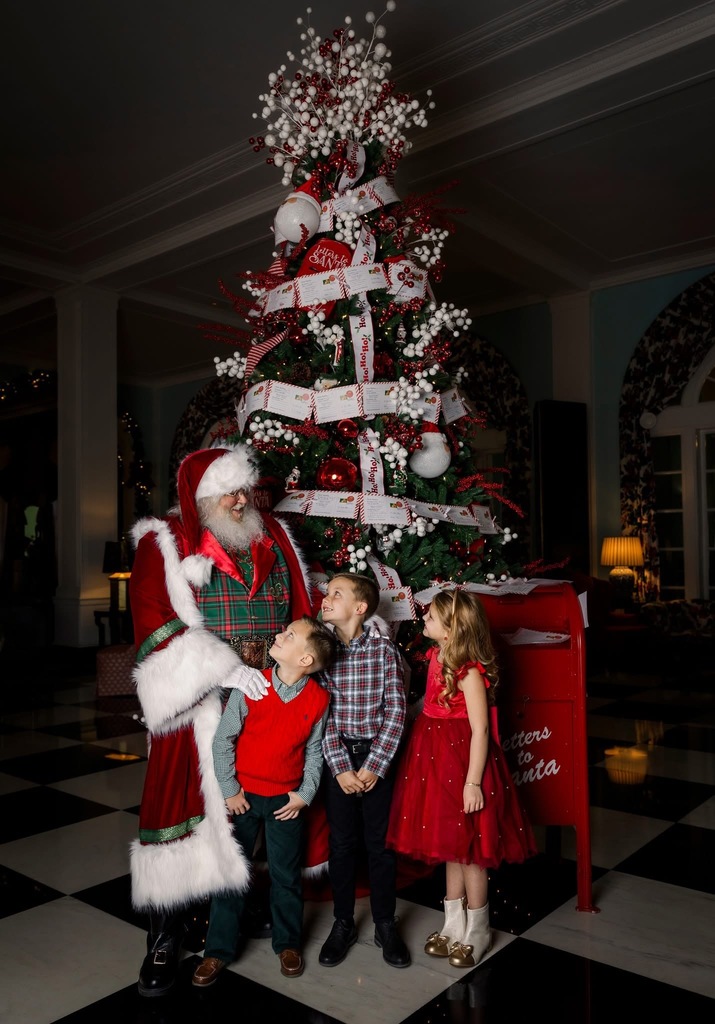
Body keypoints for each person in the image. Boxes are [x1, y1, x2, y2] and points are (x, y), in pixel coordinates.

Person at [129, 443, 317, 997]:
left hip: (266, 699)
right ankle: (164, 935)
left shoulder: (273, 534)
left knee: (254, 806)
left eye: (243, 490)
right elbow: (153, 619)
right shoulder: (163, 540)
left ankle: (233, 909)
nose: (240, 500)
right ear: (201, 496)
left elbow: (299, 608)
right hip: (199, 704)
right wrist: (220, 669)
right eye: (228, 492)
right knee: (179, 810)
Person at [387, 589, 537, 969]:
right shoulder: (436, 656)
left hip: (463, 761)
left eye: (432, 617)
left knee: (471, 850)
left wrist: (473, 782)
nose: (424, 619)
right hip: (433, 759)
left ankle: (479, 928)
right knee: (450, 845)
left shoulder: (469, 673)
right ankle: (453, 922)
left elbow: (481, 730)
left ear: (452, 629)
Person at [191, 615, 338, 987]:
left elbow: (314, 753)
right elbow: (223, 741)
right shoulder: (253, 686)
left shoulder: (318, 700)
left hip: (286, 803)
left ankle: (287, 944)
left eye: (290, 635)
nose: (279, 634)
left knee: (286, 876)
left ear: (305, 659)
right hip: (242, 797)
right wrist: (230, 790)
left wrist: (305, 794)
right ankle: (217, 950)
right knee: (233, 874)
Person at [317, 572, 410, 969]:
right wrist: (340, 768)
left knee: (380, 845)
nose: (326, 598)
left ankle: (385, 923)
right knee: (341, 845)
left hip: (376, 757)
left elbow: (396, 710)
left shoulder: (384, 651)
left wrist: (375, 765)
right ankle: (343, 922)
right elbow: (320, 713)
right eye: (327, 593)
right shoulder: (321, 651)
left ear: (359, 608)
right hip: (338, 760)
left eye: (336, 594)